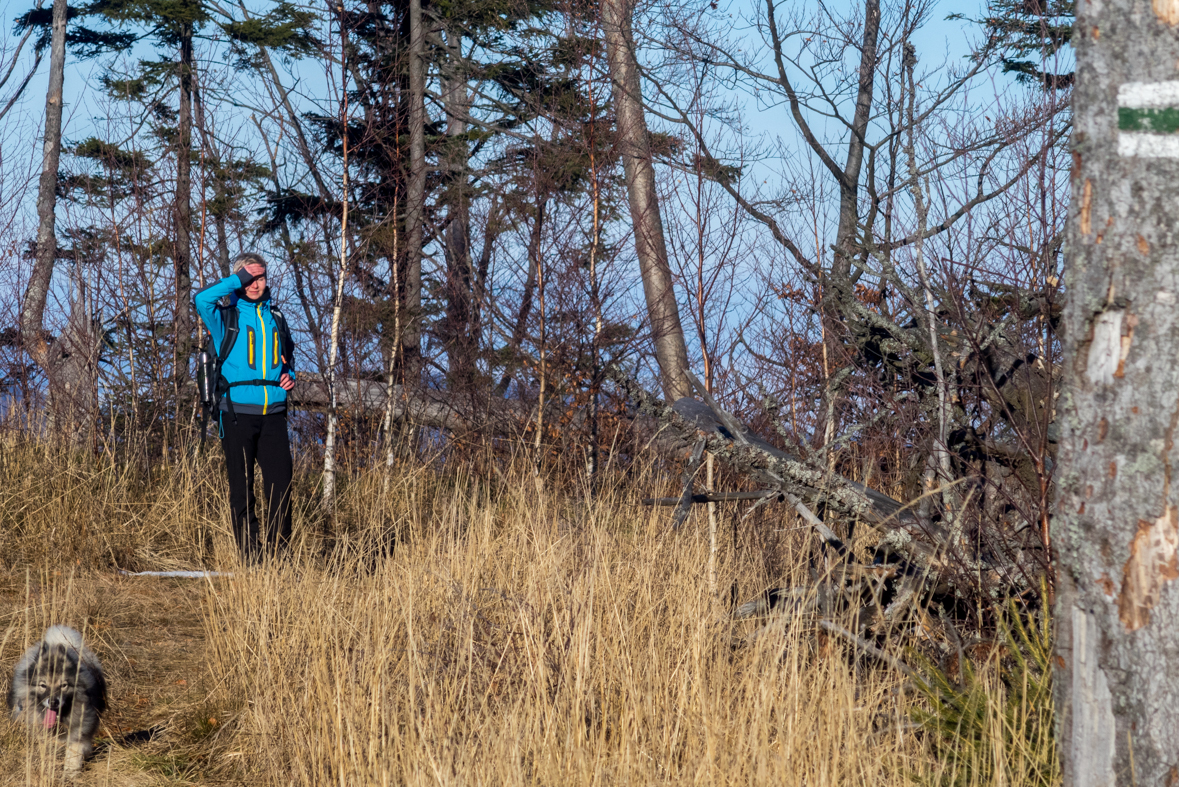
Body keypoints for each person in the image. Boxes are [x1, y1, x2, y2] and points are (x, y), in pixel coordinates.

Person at [194, 252, 296, 562]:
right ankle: (252, 557)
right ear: (239, 280)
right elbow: (202, 298)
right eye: (250, 278)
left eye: (261, 278)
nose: (256, 284)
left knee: (282, 484)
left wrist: (289, 376)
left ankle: (280, 556)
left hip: (274, 413)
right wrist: (238, 278)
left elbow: (287, 359)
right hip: (235, 413)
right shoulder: (225, 317)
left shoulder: (275, 317)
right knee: (243, 487)